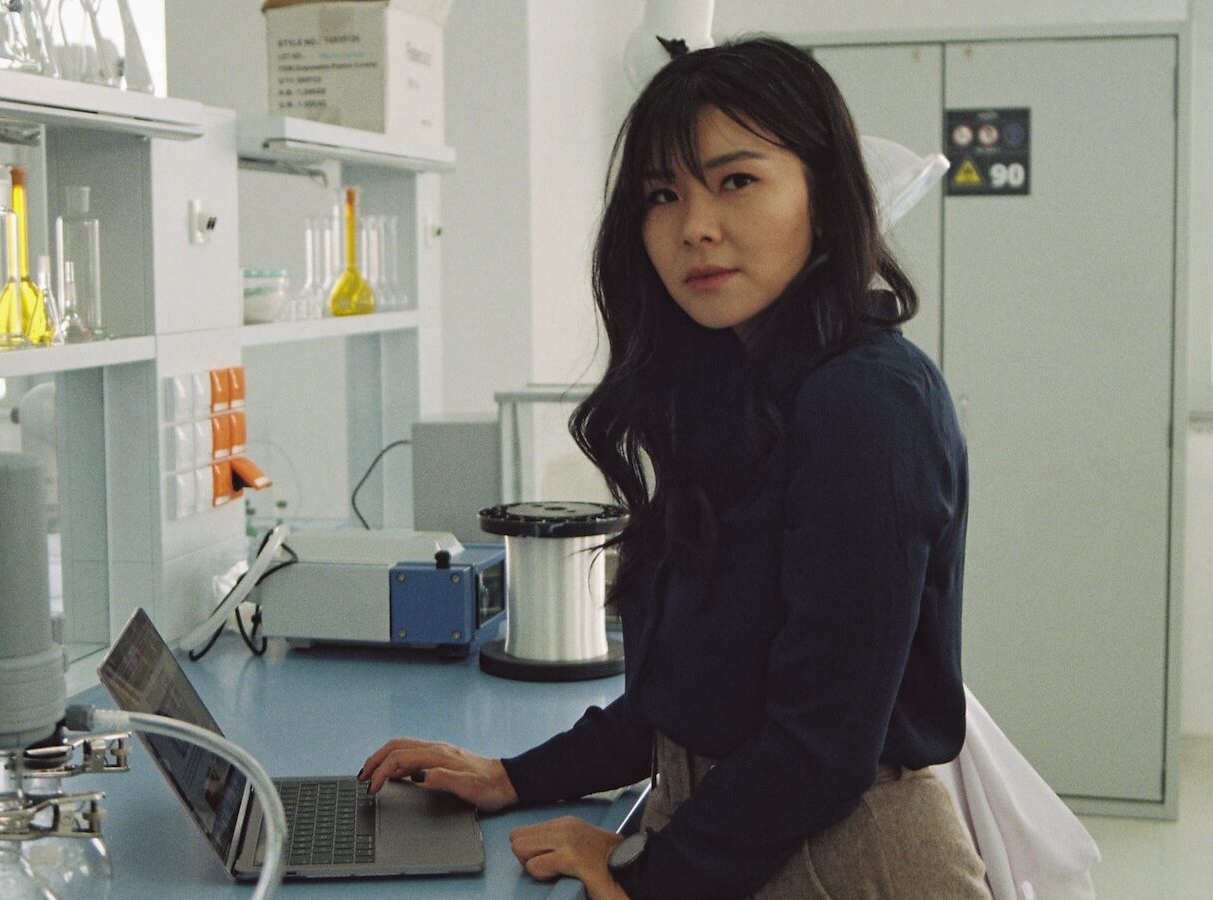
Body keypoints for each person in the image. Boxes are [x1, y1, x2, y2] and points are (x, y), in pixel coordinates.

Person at [359, 35, 990, 899]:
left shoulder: (868, 405)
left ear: (826, 196)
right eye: (663, 194)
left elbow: (822, 747)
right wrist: (515, 776)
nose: (693, 225)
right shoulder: (741, 388)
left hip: (839, 860)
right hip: (742, 835)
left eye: (737, 181)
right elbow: (694, 693)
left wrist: (646, 874)